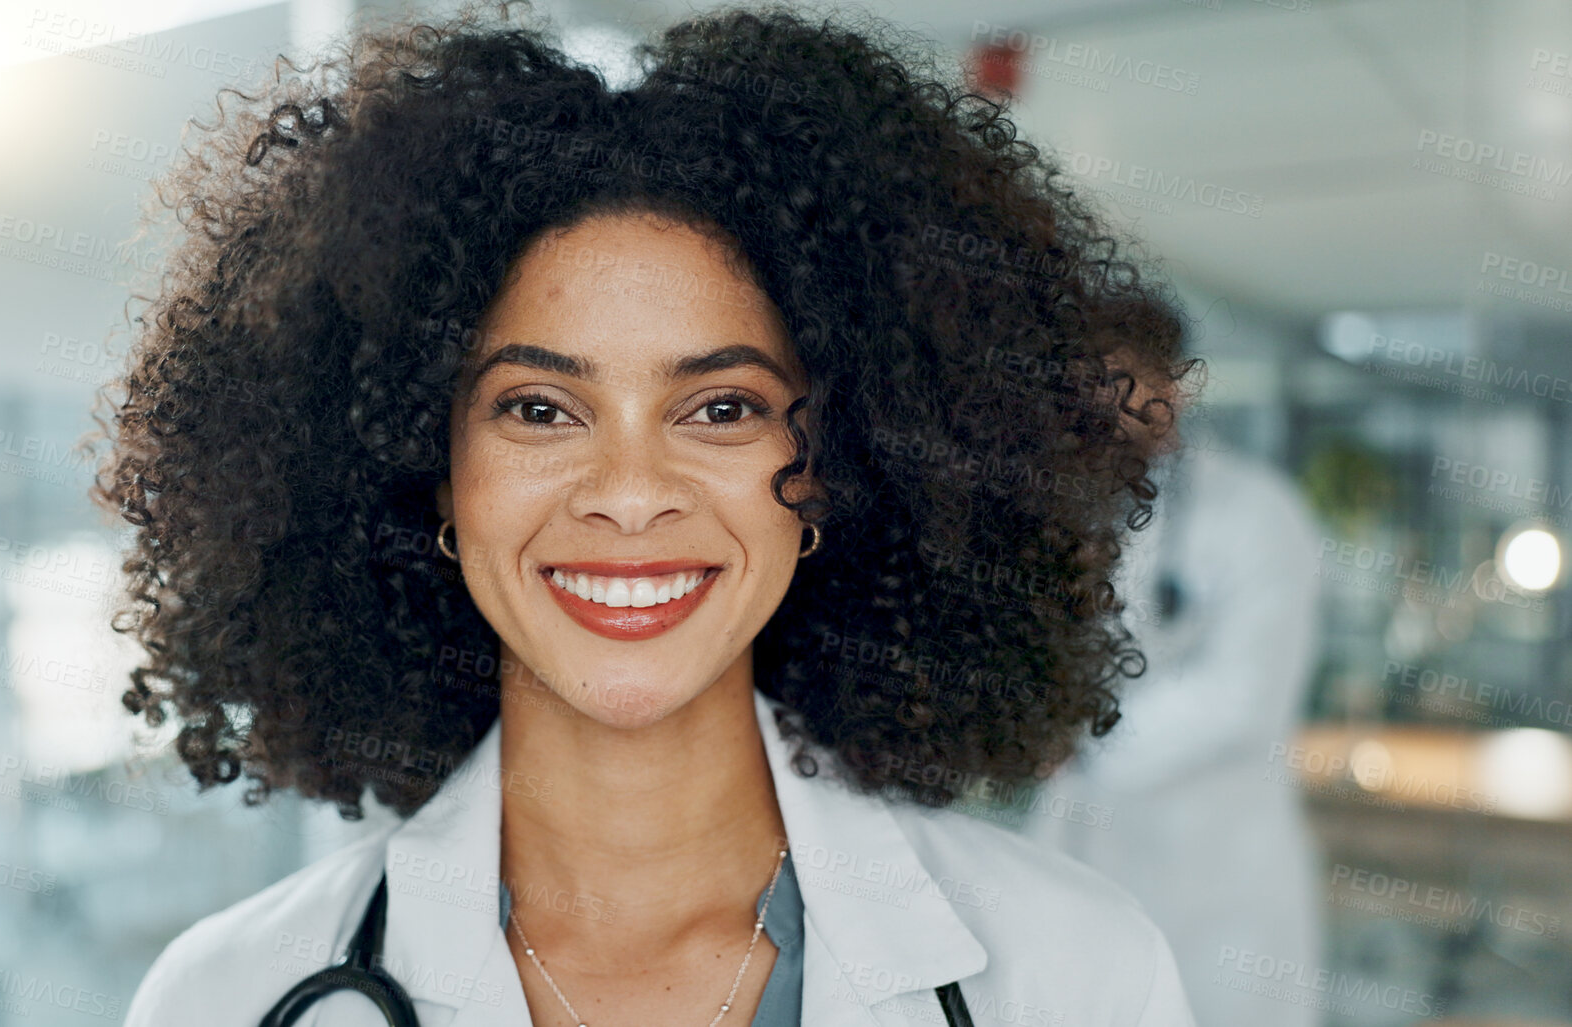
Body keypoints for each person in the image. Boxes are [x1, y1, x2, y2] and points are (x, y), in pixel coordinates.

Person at [88, 2, 1200, 1024]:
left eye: (720, 406)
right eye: (539, 407)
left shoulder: (1078, 971)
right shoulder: (227, 996)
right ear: (429, 465)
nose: (627, 494)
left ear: (830, 468)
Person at [1020, 419, 1326, 1027]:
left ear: (1173, 387)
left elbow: (1242, 697)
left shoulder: (1255, 509)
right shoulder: (1058, 502)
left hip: (1221, 875)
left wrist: (1082, 736)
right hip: (1075, 852)